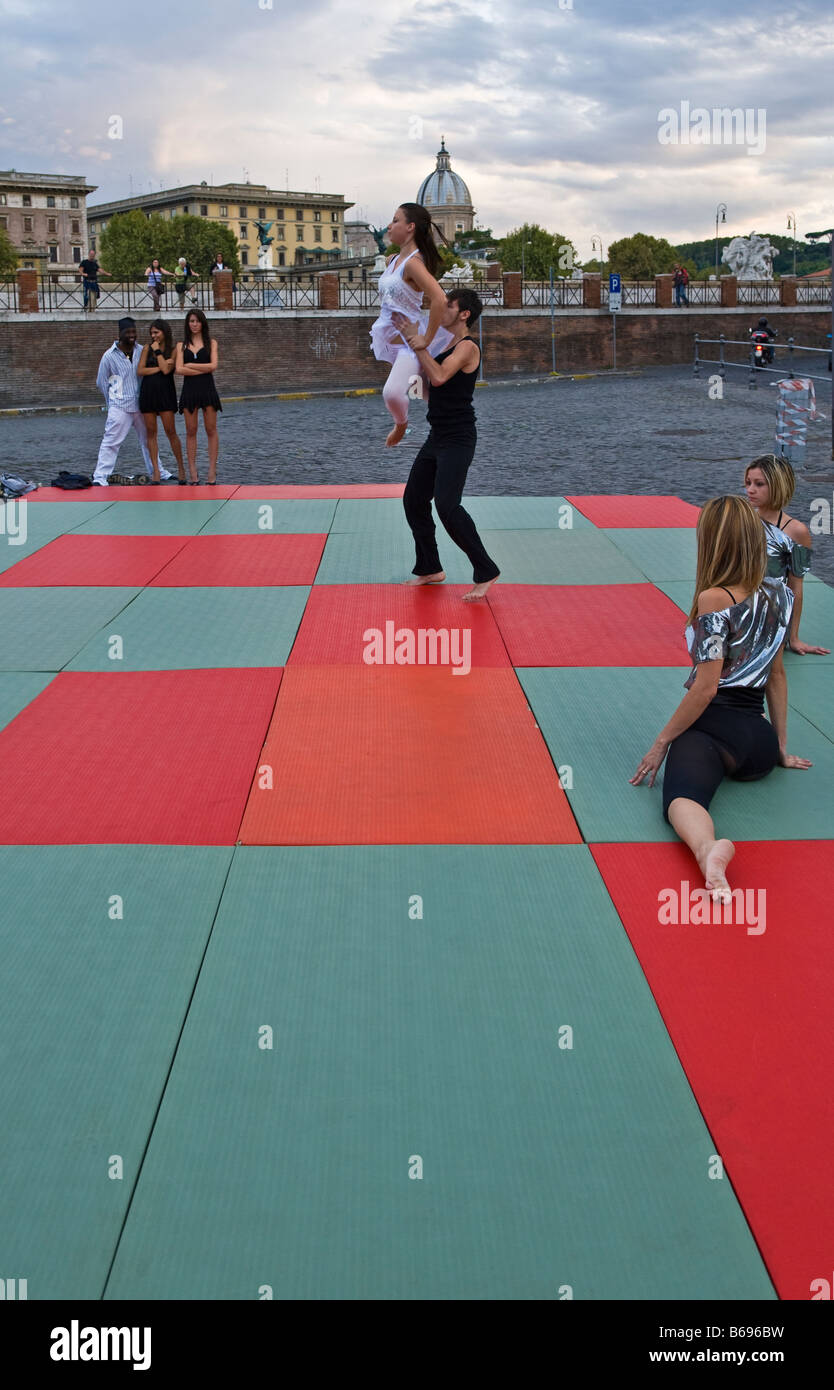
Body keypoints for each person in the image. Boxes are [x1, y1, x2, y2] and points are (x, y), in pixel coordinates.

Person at [631, 495, 811, 901]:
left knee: (681, 798)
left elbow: (707, 688)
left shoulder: (715, 598)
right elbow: (777, 676)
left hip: (715, 726)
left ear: (713, 543)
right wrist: (780, 747)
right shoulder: (780, 595)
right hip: (759, 745)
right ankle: (709, 851)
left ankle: (706, 849)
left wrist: (661, 743)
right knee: (699, 769)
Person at [392, 288, 500, 601]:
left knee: (447, 506)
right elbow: (431, 389)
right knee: (413, 500)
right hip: (436, 436)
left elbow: (439, 376)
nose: (442, 309)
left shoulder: (467, 347)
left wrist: (418, 342)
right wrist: (407, 380)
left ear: (464, 314)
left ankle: (486, 570)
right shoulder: (446, 344)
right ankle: (430, 567)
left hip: (458, 438)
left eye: (449, 305)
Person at [370, 202, 453, 447]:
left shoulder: (413, 264)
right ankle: (450, 428)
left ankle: (401, 424)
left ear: (410, 227)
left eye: (395, 220)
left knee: (393, 393)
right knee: (429, 394)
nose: (389, 225)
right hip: (389, 339)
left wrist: (426, 338)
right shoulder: (393, 260)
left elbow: (439, 299)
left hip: (408, 344)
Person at [744, 453, 829, 655]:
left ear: (777, 486)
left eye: (759, 484)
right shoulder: (740, 520)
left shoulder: (796, 531)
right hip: (735, 606)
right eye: (748, 483)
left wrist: (793, 637)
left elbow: (796, 586)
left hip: (770, 613)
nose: (750, 490)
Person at [93, 317, 174, 485]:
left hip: (141, 404)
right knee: (111, 441)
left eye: (134, 332)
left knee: (148, 439)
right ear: (119, 334)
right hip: (119, 406)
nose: (132, 335)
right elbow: (101, 382)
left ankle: (158, 471)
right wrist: (112, 401)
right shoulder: (109, 356)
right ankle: (100, 477)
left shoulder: (142, 350)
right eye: (128, 332)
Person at [137, 319, 190, 485]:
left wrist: (159, 354)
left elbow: (168, 371)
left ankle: (181, 468)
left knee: (170, 431)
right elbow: (140, 370)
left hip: (165, 393)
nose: (153, 336)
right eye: (151, 333)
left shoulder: (173, 350)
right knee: (151, 433)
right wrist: (160, 366)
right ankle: (156, 472)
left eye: (156, 332)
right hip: (148, 393)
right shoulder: (147, 348)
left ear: (164, 332)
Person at [176, 309, 221, 485]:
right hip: (190, 390)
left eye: (197, 321)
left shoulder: (212, 343)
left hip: (208, 389)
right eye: (191, 321)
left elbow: (213, 366)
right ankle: (193, 471)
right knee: (190, 430)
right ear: (187, 324)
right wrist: (202, 367)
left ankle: (212, 470)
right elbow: (179, 369)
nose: (194, 324)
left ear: (203, 323)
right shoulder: (181, 345)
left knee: (211, 429)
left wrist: (191, 365)